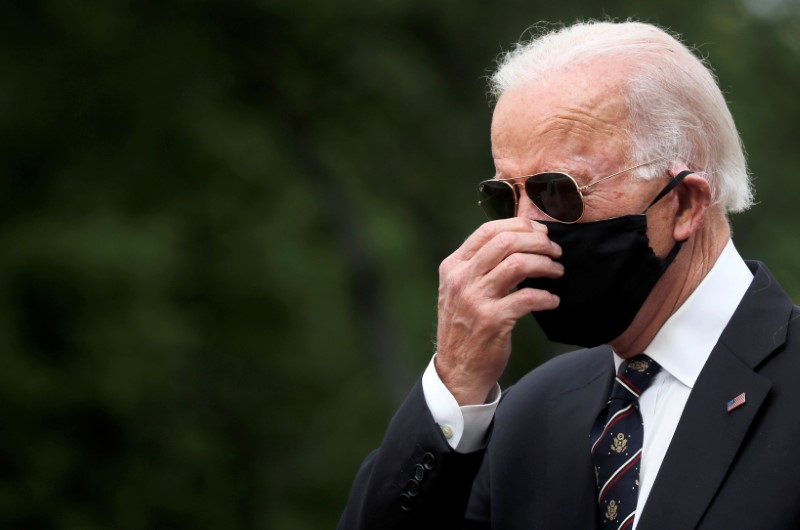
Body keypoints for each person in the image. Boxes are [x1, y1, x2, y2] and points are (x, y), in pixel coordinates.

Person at [338, 20, 800, 530]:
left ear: (686, 204)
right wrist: (456, 382)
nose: (522, 231)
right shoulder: (528, 416)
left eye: (557, 193)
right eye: (505, 198)